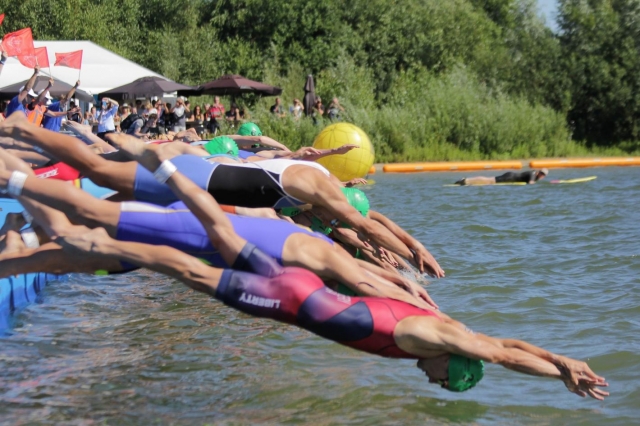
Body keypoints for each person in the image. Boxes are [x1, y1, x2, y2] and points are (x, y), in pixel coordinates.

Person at [5, 156, 606, 400]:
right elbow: (500, 353)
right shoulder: (438, 341)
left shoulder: (443, 325)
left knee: (204, 238)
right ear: (454, 364)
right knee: (179, 263)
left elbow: (503, 344)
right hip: (283, 301)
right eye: (444, 382)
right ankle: (35, 201)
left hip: (294, 290)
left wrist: (556, 358)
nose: (433, 380)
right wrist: (560, 372)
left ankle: (53, 213)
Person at [0, 114, 444, 277]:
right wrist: (411, 251)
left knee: (103, 215)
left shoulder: (318, 191)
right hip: (191, 177)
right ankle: (24, 131)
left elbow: (364, 225)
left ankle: (23, 231)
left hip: (196, 190)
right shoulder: (317, 187)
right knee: (98, 169)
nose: (339, 218)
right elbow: (361, 223)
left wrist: (410, 246)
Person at [455, 169, 549, 186]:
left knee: (489, 180)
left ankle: (466, 180)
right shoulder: (533, 174)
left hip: (511, 176)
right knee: (489, 180)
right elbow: (531, 183)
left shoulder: (534, 174)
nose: (541, 175)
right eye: (541, 173)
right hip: (509, 177)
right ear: (538, 171)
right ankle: (465, 181)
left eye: (543, 174)